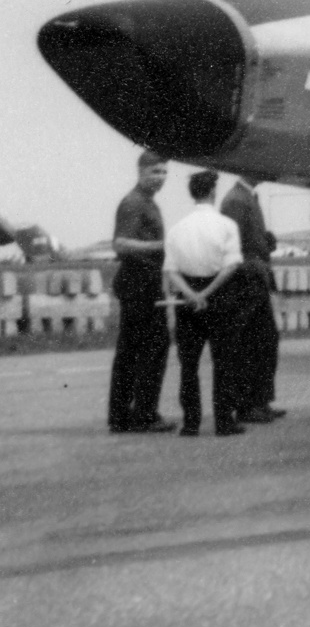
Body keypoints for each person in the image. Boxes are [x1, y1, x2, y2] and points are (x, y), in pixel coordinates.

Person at [163, 171, 246, 438]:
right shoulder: (226, 225)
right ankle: (224, 421)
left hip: (188, 298)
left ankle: (191, 423)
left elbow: (171, 270)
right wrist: (207, 293)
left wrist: (191, 294)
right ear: (212, 192)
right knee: (224, 361)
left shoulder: (177, 228)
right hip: (219, 296)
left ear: (192, 193)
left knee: (189, 365)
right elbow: (230, 266)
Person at [107, 150, 176, 434]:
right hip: (139, 282)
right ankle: (144, 415)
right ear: (140, 172)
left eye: (163, 173)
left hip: (142, 282)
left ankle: (121, 416)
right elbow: (120, 244)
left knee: (130, 351)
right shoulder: (134, 202)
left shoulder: (146, 202)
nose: (160, 178)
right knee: (152, 349)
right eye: (155, 172)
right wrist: (160, 247)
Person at [219, 175, 284, 424]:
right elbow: (230, 243)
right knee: (250, 343)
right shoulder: (236, 199)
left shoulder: (246, 197)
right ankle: (248, 406)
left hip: (257, 278)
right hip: (247, 280)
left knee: (265, 340)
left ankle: (260, 401)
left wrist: (264, 244)